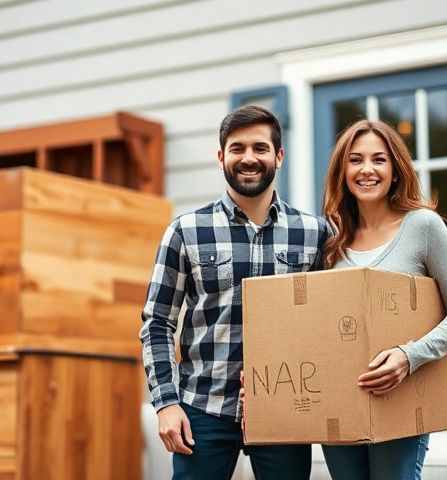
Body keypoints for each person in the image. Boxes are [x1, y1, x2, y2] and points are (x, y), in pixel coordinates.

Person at [140, 105, 328, 480]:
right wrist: (165, 404)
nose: (249, 158)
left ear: (279, 156)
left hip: (286, 410)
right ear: (221, 156)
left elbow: (327, 324)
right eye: (238, 148)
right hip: (203, 409)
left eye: (260, 148)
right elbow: (157, 322)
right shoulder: (185, 230)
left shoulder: (315, 233)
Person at [320, 120, 447, 480]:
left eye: (379, 159)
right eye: (355, 160)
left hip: (403, 395)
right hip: (342, 398)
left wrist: (409, 356)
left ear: (395, 169)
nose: (367, 169)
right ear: (342, 171)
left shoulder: (423, 226)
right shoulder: (333, 242)